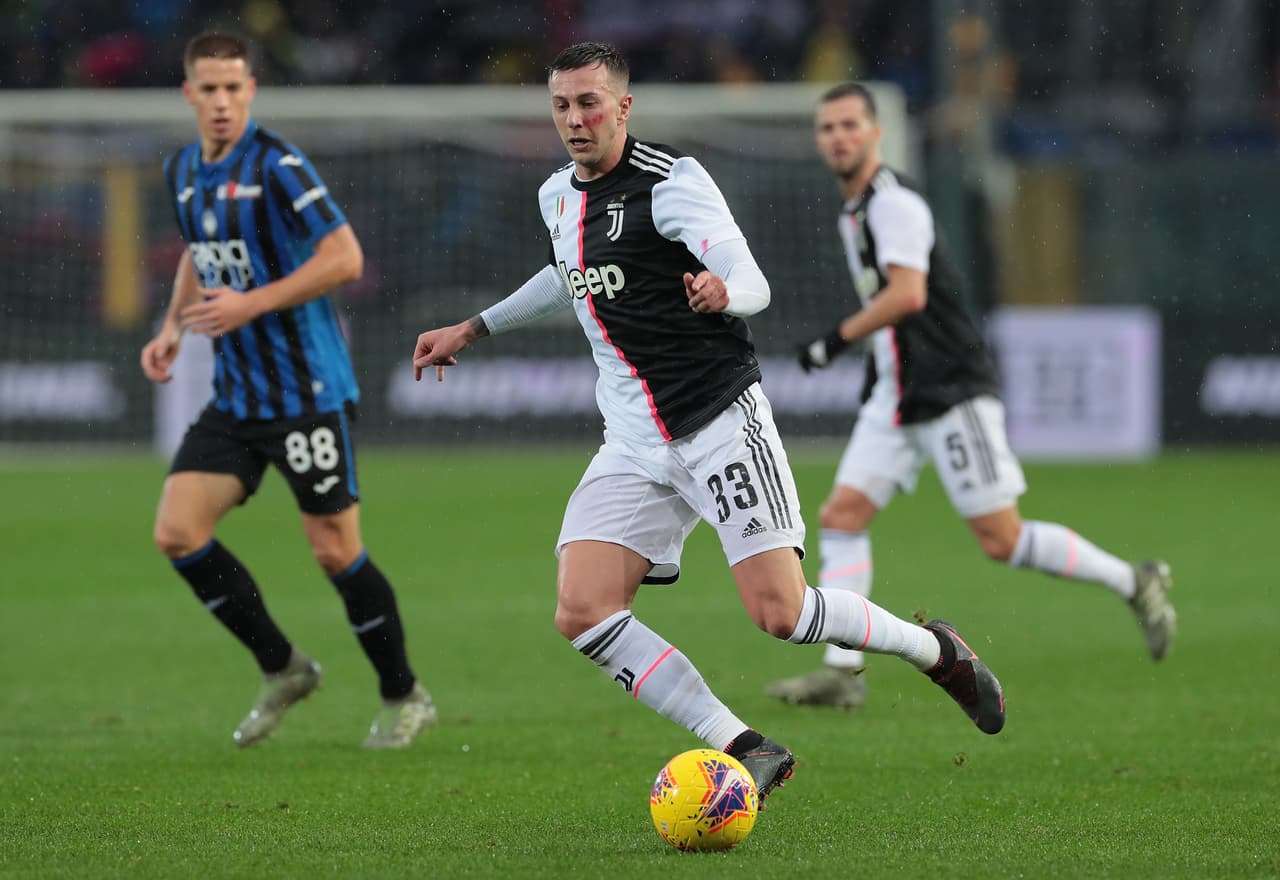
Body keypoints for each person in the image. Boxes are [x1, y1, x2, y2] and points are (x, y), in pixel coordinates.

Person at [411, 43, 1006, 804]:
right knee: (582, 610)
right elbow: (566, 274)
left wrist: (726, 293)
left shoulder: (673, 182)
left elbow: (750, 276)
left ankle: (935, 651)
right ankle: (746, 745)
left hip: (718, 421)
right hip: (633, 441)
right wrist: (473, 328)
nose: (575, 119)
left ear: (623, 107)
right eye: (562, 105)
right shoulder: (556, 194)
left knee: (782, 614)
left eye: (590, 103)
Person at [768, 83, 1177, 711]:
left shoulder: (893, 204)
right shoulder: (855, 211)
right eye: (828, 128)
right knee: (842, 516)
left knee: (1001, 539)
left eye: (850, 125)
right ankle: (843, 672)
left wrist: (834, 340)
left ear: (877, 133)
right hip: (899, 394)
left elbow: (908, 294)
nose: (839, 137)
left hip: (950, 388)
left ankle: (1134, 580)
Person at [140, 32, 435, 749]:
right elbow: (199, 251)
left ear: (250, 91)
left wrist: (251, 303)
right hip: (238, 398)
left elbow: (345, 257)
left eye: (233, 87)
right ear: (189, 93)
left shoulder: (278, 165)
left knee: (334, 551)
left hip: (307, 393)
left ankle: (404, 694)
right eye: (209, 88)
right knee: (177, 532)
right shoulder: (183, 169)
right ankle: (284, 668)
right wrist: (174, 325)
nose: (221, 101)